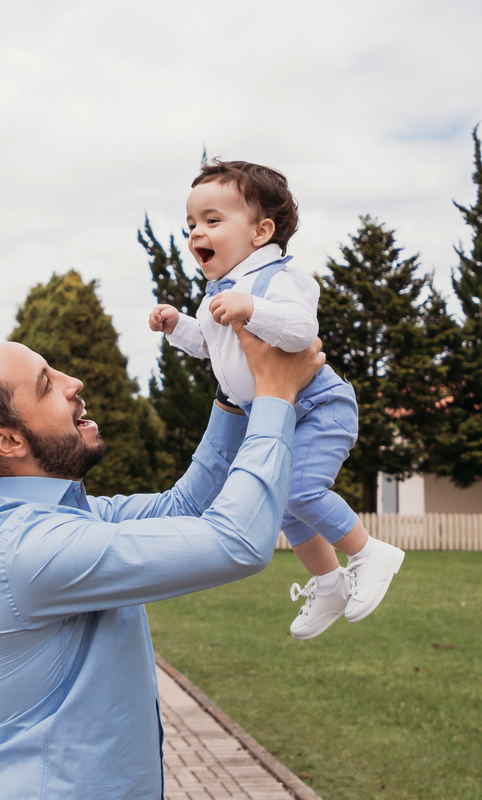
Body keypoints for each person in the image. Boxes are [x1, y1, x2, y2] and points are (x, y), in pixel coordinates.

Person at [0, 325, 321, 800]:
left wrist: (233, 392)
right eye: (46, 384)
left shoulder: (65, 518)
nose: (74, 383)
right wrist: (276, 395)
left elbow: (186, 508)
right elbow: (237, 542)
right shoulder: (33, 549)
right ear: (8, 441)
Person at [148, 159, 405, 640]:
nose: (195, 233)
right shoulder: (214, 297)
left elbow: (302, 330)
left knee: (300, 491)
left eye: (211, 220)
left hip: (319, 407)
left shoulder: (279, 280)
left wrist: (254, 308)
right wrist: (177, 326)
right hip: (276, 413)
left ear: (261, 232)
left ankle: (370, 553)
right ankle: (328, 583)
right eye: (190, 225)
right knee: (285, 505)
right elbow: (211, 346)